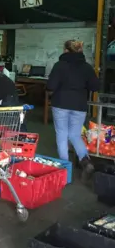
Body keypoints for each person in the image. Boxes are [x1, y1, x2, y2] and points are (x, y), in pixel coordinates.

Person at [47, 40, 99, 181]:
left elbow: (50, 86)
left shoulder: (59, 66)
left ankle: (65, 168)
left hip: (60, 104)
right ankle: (85, 161)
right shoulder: (87, 67)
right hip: (79, 106)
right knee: (75, 135)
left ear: (65, 50)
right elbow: (95, 87)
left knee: (62, 134)